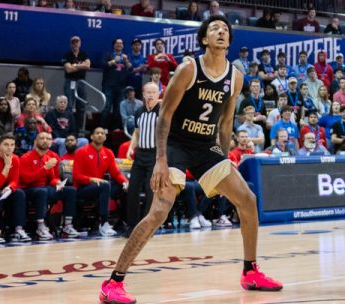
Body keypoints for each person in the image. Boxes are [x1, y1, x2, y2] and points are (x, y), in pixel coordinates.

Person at [100, 16, 283, 304]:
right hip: (176, 144)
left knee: (247, 199)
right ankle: (113, 282)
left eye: (225, 30)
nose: (221, 32)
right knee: (160, 209)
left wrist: (225, 159)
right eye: (214, 29)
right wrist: (160, 159)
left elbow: (225, 123)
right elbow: (165, 115)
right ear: (204, 40)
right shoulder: (188, 69)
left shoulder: (235, 77)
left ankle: (250, 271)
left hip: (206, 147)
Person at [18, 129, 78, 240]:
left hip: (45, 189)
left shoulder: (53, 156)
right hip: (29, 189)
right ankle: (40, 227)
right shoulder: (25, 157)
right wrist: (45, 168)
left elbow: (53, 178)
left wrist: (58, 182)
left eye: (49, 139)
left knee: (70, 190)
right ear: (36, 141)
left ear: (51, 142)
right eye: (42, 138)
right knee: (42, 191)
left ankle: (67, 226)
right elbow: (26, 180)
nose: (46, 141)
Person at [73, 127, 127, 236]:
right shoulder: (81, 152)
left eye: (102, 133)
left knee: (124, 187)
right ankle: (104, 223)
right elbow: (76, 176)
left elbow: (116, 173)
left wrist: (125, 182)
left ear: (105, 137)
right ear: (92, 136)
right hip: (83, 188)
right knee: (105, 185)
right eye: (97, 133)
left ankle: (123, 221)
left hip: (100, 187)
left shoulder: (108, 152)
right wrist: (91, 179)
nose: (100, 135)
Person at [0, 133, 32, 243]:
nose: (9, 148)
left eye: (12, 145)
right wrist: (7, 166)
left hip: (2, 188)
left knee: (19, 193)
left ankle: (18, 229)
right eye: (6, 145)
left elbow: (15, 180)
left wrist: (10, 188)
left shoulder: (16, 159)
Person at [126, 82, 161, 232]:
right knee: (132, 189)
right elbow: (137, 132)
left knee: (150, 191)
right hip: (140, 155)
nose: (151, 95)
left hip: (155, 155)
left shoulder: (163, 110)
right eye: (148, 92)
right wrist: (130, 148)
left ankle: (147, 227)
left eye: (154, 92)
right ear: (143, 94)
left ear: (158, 94)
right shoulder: (139, 111)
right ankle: (132, 225)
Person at [62, 36, 91, 134]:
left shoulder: (83, 54)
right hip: (70, 81)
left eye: (77, 42)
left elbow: (87, 66)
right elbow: (68, 69)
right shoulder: (67, 55)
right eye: (73, 43)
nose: (75, 44)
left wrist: (74, 65)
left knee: (82, 106)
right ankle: (69, 129)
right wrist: (80, 66)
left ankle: (79, 129)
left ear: (80, 44)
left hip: (81, 82)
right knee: (69, 106)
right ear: (71, 44)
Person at [102, 38, 132, 129]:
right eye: (117, 43)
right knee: (106, 107)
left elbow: (130, 69)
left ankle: (116, 128)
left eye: (121, 43)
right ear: (114, 45)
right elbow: (103, 65)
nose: (119, 45)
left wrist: (126, 61)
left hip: (121, 87)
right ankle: (103, 128)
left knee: (118, 109)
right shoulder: (108, 55)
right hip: (109, 85)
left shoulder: (126, 56)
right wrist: (113, 61)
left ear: (123, 46)